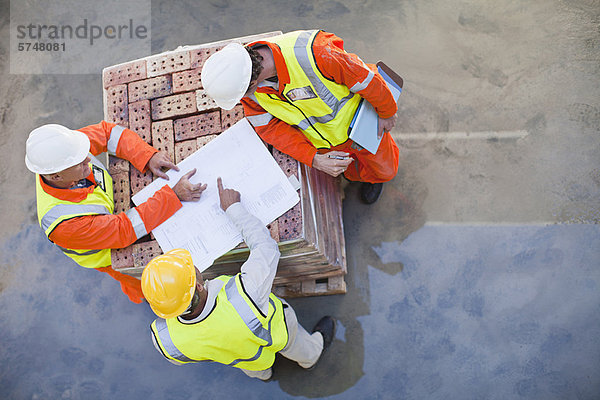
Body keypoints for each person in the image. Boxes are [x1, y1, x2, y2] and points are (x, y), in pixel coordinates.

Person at [143, 177, 335, 381]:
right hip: (279, 333)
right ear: (198, 285)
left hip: (243, 358)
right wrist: (233, 208)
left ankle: (265, 375)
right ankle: (310, 358)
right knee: (296, 345)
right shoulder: (246, 294)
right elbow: (265, 247)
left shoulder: (166, 340)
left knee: (254, 365)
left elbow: (190, 354)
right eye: (191, 268)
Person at [201, 29, 400, 204]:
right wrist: (313, 158)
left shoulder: (316, 54)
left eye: (241, 94)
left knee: (384, 168)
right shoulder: (251, 88)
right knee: (350, 171)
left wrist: (386, 112)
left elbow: (367, 81)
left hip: (363, 123)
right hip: (328, 142)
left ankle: (375, 180)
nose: (243, 100)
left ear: (250, 83)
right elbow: (270, 128)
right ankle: (360, 178)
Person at [25, 122, 207, 304]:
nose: (87, 159)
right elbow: (124, 230)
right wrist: (173, 195)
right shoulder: (64, 225)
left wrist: (146, 155)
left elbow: (108, 133)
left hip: (108, 217)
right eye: (80, 163)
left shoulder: (67, 152)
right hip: (109, 254)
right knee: (153, 289)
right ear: (56, 177)